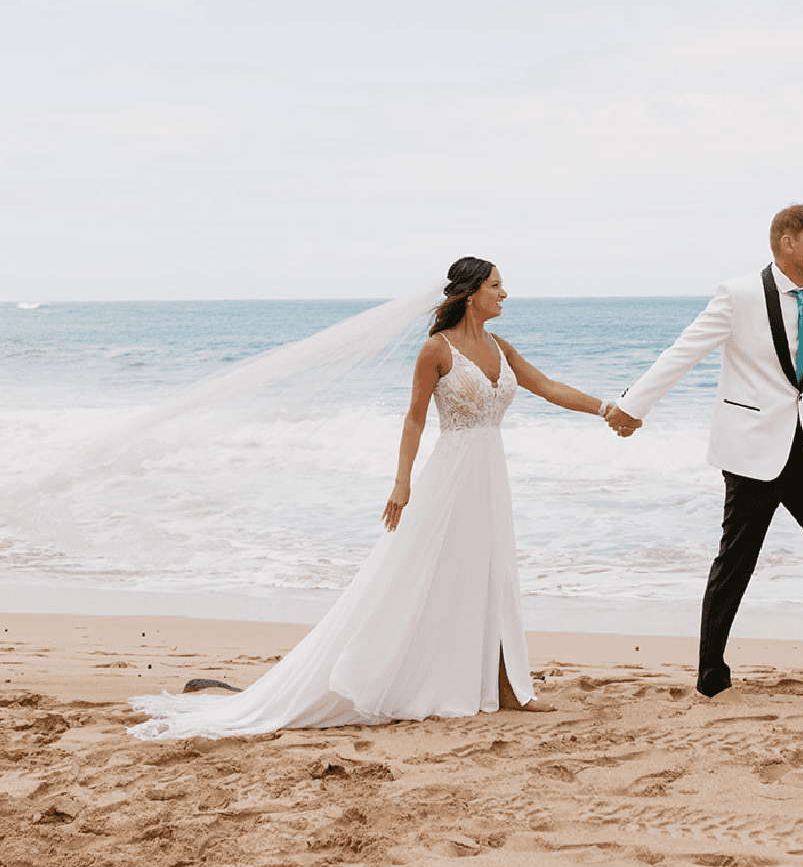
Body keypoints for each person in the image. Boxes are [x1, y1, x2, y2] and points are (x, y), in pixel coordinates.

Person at [129, 257, 615, 738]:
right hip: (451, 478)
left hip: (492, 476)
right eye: (496, 285)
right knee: (427, 573)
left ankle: (509, 687)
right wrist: (401, 483)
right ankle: (402, 674)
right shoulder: (436, 350)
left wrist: (608, 409)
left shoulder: (502, 348)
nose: (504, 293)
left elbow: (547, 387)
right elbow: (415, 419)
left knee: (495, 570)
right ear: (469, 293)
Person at [605, 205, 803, 698]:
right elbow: (684, 351)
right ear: (787, 244)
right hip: (751, 450)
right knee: (736, 562)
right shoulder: (738, 294)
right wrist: (634, 405)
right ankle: (711, 676)